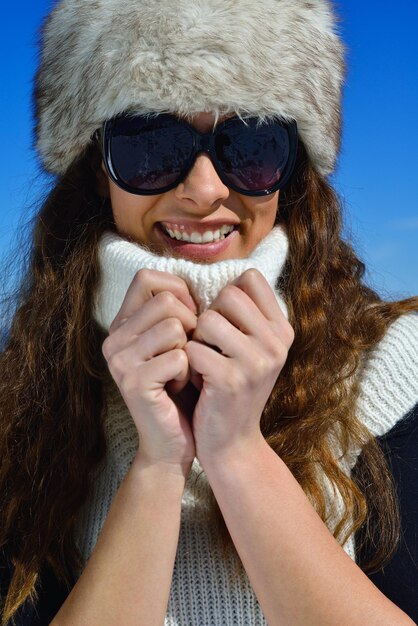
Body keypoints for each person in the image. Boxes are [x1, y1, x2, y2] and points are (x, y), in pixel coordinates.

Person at [0, 0, 417, 624]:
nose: (204, 189)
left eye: (250, 142)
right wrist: (157, 466)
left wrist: (238, 453)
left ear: (292, 170)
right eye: (149, 143)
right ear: (96, 168)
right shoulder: (21, 401)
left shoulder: (393, 371)